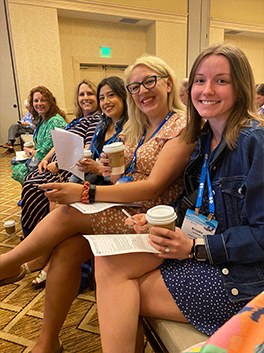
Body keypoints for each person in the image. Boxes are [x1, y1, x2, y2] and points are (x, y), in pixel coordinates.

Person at [0, 54, 194, 353]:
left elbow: (154, 185)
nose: (142, 91)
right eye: (135, 87)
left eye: (149, 82)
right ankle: (47, 342)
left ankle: (9, 264)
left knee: (69, 211)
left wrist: (85, 192)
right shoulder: (141, 127)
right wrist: (107, 171)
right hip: (128, 209)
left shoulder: (181, 126)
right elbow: (124, 180)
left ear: (168, 83)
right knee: (66, 251)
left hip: (150, 219)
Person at [93, 43, 264, 353]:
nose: (207, 89)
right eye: (199, 80)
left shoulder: (255, 142)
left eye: (221, 81)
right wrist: (162, 215)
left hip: (243, 275)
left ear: (240, 88)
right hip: (201, 251)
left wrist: (196, 247)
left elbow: (262, 233)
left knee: (121, 295)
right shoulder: (203, 138)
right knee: (106, 263)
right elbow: (193, 202)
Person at [25, 76, 128, 288]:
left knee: (59, 200)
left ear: (124, 98)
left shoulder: (130, 128)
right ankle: (46, 255)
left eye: (111, 95)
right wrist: (82, 166)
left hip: (109, 189)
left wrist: (96, 169)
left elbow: (122, 175)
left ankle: (43, 258)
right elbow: (90, 156)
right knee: (54, 195)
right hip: (91, 179)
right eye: (102, 97)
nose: (105, 101)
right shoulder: (102, 124)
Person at [20, 80, 101, 241]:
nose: (85, 98)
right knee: (28, 179)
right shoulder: (76, 120)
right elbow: (58, 143)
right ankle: (33, 235)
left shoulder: (95, 120)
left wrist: (58, 164)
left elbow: (86, 151)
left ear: (98, 98)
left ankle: (40, 239)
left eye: (90, 93)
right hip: (54, 165)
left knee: (33, 188)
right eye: (81, 94)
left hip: (67, 169)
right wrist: (45, 158)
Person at [11, 86, 67, 185]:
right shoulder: (41, 119)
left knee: (18, 169)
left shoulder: (55, 121)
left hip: (50, 162)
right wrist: (33, 148)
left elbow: (48, 149)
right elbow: (41, 143)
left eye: (43, 100)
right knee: (14, 162)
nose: (39, 104)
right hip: (40, 158)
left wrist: (31, 152)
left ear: (50, 102)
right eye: (36, 101)